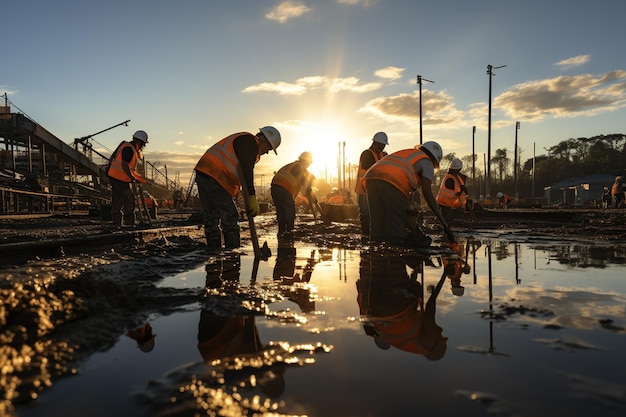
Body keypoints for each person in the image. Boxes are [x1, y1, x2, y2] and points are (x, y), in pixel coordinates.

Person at [194, 126, 281, 250]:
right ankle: (232, 252)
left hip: (204, 171)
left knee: (211, 215)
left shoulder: (245, 142)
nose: (267, 152)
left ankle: (214, 252)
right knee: (230, 215)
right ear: (264, 141)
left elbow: (239, 170)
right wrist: (252, 196)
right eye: (269, 148)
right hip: (216, 176)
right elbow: (246, 169)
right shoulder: (249, 143)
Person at [362, 141, 455, 246]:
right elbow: (428, 194)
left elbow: (408, 198)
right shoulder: (427, 162)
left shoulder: (410, 154)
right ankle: (396, 253)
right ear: (435, 160)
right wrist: (445, 226)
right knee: (396, 221)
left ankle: (375, 251)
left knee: (377, 221)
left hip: (371, 178)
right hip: (392, 181)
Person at [106, 130, 149, 227]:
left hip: (115, 178)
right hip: (120, 179)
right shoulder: (129, 149)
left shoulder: (129, 148)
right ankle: (129, 224)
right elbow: (124, 164)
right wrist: (131, 177)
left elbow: (131, 170)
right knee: (129, 200)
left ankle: (116, 224)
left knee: (118, 200)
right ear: (140, 142)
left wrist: (140, 179)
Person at [270, 151, 315, 237]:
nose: (309, 165)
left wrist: (308, 190)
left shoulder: (292, 165)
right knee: (289, 211)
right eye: (309, 163)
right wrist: (309, 189)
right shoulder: (299, 166)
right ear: (306, 161)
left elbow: (302, 179)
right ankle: (289, 233)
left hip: (275, 187)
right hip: (283, 188)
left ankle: (281, 232)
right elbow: (303, 179)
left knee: (281, 211)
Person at [355, 132, 388, 235]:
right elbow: (372, 169)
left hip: (375, 190)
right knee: (365, 214)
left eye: (383, 146)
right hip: (363, 190)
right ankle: (366, 235)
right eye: (380, 145)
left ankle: (375, 234)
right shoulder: (367, 154)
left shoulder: (382, 155)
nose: (382, 148)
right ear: (374, 143)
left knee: (376, 215)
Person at [436, 158, 468, 223]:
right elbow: (455, 193)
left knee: (448, 221)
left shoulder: (455, 177)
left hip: (449, 205)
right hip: (444, 204)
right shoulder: (450, 179)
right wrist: (461, 192)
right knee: (447, 221)